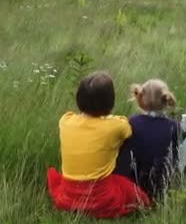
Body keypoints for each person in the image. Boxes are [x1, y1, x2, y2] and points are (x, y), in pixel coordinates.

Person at [47, 72, 150, 219]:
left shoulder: (65, 121)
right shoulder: (114, 126)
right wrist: (109, 118)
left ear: (79, 98)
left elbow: (72, 117)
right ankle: (148, 206)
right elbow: (127, 130)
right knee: (133, 193)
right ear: (110, 102)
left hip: (68, 195)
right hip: (100, 197)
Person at [115, 79, 186, 201]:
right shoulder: (173, 126)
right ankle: (181, 187)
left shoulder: (132, 122)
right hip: (161, 186)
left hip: (133, 183)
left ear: (141, 99)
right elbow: (174, 157)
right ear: (165, 100)